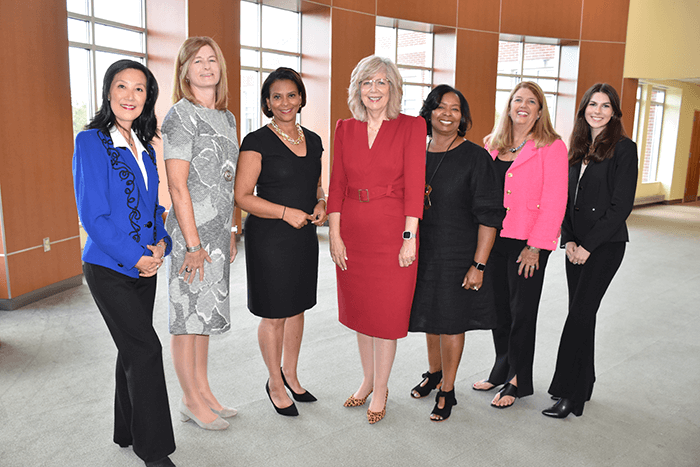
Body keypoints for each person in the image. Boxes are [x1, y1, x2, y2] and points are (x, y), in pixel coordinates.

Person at [73, 60, 176, 467]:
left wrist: (161, 245)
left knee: (130, 348)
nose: (130, 96)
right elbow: (92, 216)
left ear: (147, 97)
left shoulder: (146, 146)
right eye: (122, 86)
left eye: (139, 89)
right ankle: (154, 451)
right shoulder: (90, 141)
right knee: (146, 349)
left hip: (144, 265)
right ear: (108, 92)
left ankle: (127, 430)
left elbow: (154, 208)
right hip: (108, 267)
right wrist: (138, 257)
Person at [328, 55, 426, 424]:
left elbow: (415, 188)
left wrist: (409, 238)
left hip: (391, 232)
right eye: (367, 82)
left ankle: (382, 387)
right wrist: (335, 236)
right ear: (357, 88)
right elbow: (336, 185)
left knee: (386, 314)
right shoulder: (345, 128)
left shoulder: (412, 127)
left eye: (382, 82)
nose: (374, 89)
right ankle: (367, 379)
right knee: (362, 311)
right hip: (352, 231)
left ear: (393, 88)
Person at [408, 85, 505, 421]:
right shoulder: (415, 151)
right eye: (440, 107)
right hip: (423, 250)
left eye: (455, 109)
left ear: (462, 117)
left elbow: (490, 217)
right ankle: (434, 373)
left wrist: (478, 264)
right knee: (429, 316)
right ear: (429, 112)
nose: (447, 114)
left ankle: (447, 389)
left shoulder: (476, 157)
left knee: (450, 321)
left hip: (458, 252)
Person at [234, 67, 326, 417]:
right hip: (270, 239)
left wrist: (321, 203)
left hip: (304, 237)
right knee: (274, 314)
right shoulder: (256, 141)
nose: (284, 102)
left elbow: (316, 186)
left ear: (301, 98)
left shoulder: (314, 140)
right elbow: (242, 196)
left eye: (291, 95)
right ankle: (274, 381)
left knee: (298, 307)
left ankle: (291, 373)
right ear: (267, 103)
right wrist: (286, 212)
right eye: (276, 96)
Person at [542, 83, 638, 418]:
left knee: (579, 317)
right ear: (583, 109)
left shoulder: (624, 149)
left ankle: (570, 394)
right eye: (592, 105)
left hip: (605, 247)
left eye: (606, 105)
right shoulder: (577, 147)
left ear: (615, 112)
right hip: (575, 246)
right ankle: (587, 380)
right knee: (584, 316)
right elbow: (566, 200)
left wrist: (588, 247)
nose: (598, 111)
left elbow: (620, 205)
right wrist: (568, 239)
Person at [472, 81, 568, 409]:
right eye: (517, 100)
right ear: (509, 106)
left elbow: (555, 201)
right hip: (493, 240)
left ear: (540, 110)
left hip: (526, 243)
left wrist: (536, 246)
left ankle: (517, 379)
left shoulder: (552, 146)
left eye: (531, 101)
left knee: (522, 312)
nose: (523, 105)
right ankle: (502, 366)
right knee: (498, 309)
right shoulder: (492, 144)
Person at [162, 36, 239, 431]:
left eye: (212, 59)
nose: (206, 67)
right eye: (197, 61)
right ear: (184, 70)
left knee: (205, 315)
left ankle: (204, 391)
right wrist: (192, 244)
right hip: (191, 237)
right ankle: (190, 400)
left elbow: (229, 182)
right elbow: (177, 187)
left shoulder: (227, 118)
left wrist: (231, 228)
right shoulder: (179, 115)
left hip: (217, 235)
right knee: (186, 317)